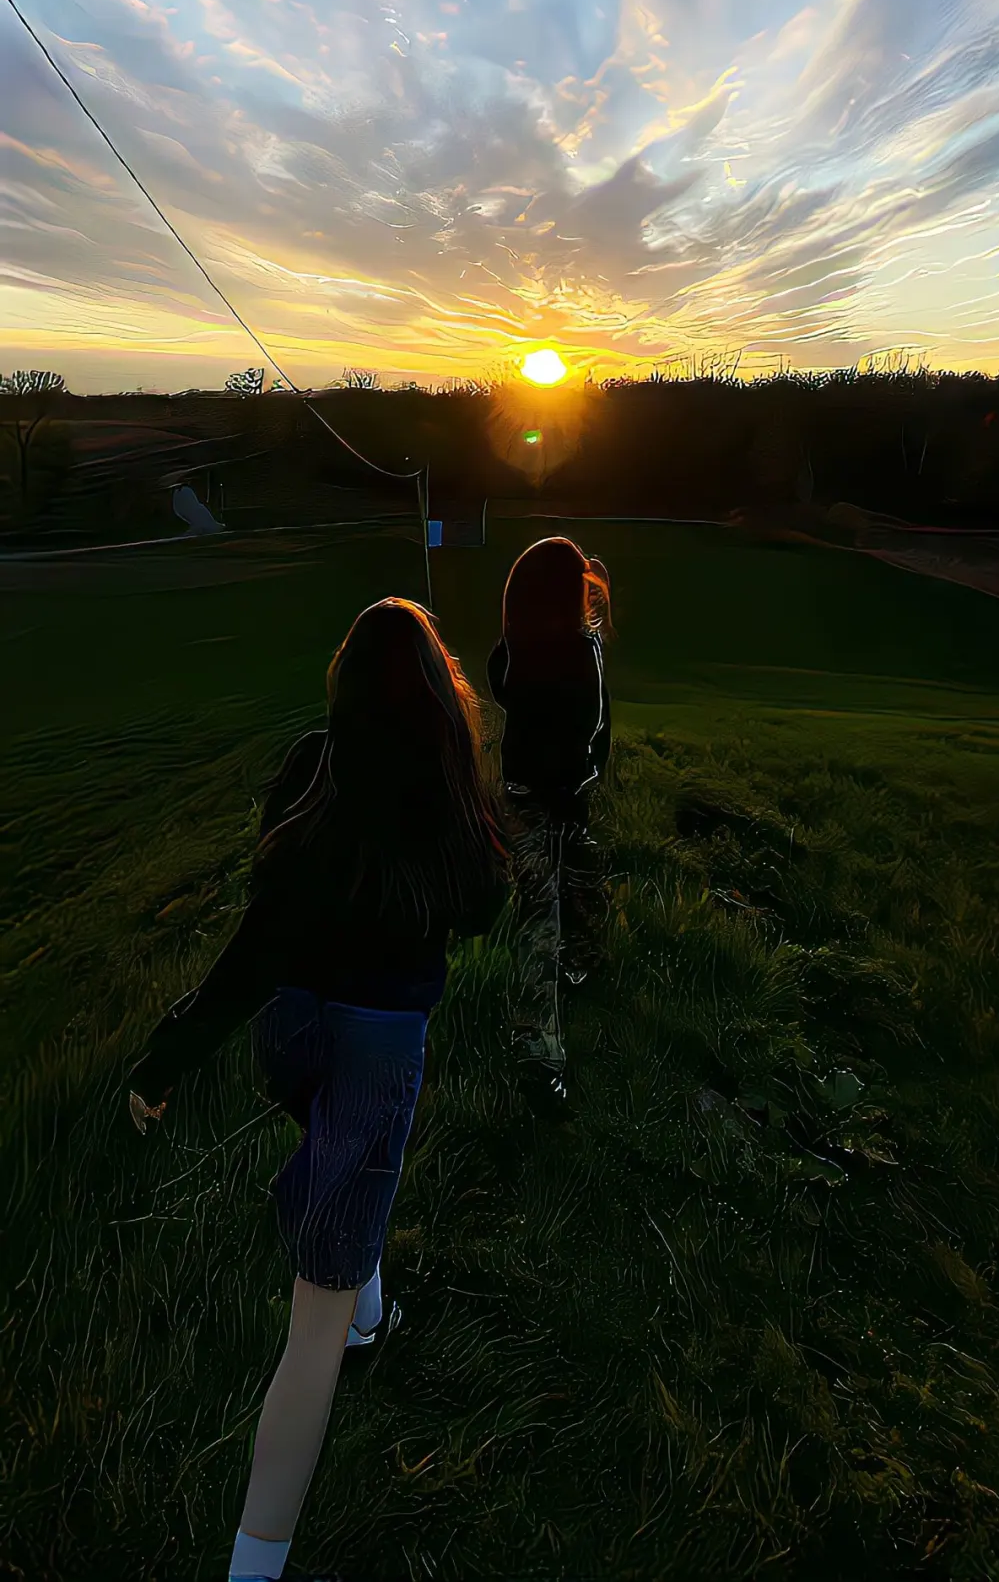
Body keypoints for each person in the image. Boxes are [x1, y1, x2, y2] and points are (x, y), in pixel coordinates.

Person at [127, 598, 509, 1582]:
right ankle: (253, 1567)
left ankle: (367, 1291)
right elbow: (482, 903)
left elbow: (259, 938)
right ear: (436, 697)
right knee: (313, 1331)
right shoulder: (446, 782)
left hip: (287, 1033)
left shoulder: (310, 766)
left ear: (340, 689)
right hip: (377, 1047)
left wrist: (170, 1054)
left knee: (345, 1158)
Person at [486, 538, 614, 1106]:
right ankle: (538, 1055)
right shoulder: (577, 654)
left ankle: (578, 968)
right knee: (546, 914)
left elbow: (509, 691)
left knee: (562, 898)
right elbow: (592, 721)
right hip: (554, 795)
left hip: (529, 794)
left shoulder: (514, 652)